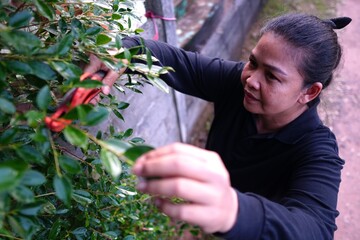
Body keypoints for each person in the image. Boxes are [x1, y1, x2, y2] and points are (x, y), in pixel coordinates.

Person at [81, 13, 352, 239]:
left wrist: (233, 209)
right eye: (253, 63)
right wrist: (123, 51)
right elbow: (174, 61)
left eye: (271, 76)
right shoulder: (237, 84)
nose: (251, 80)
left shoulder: (317, 150)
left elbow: (315, 228)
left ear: (309, 92)